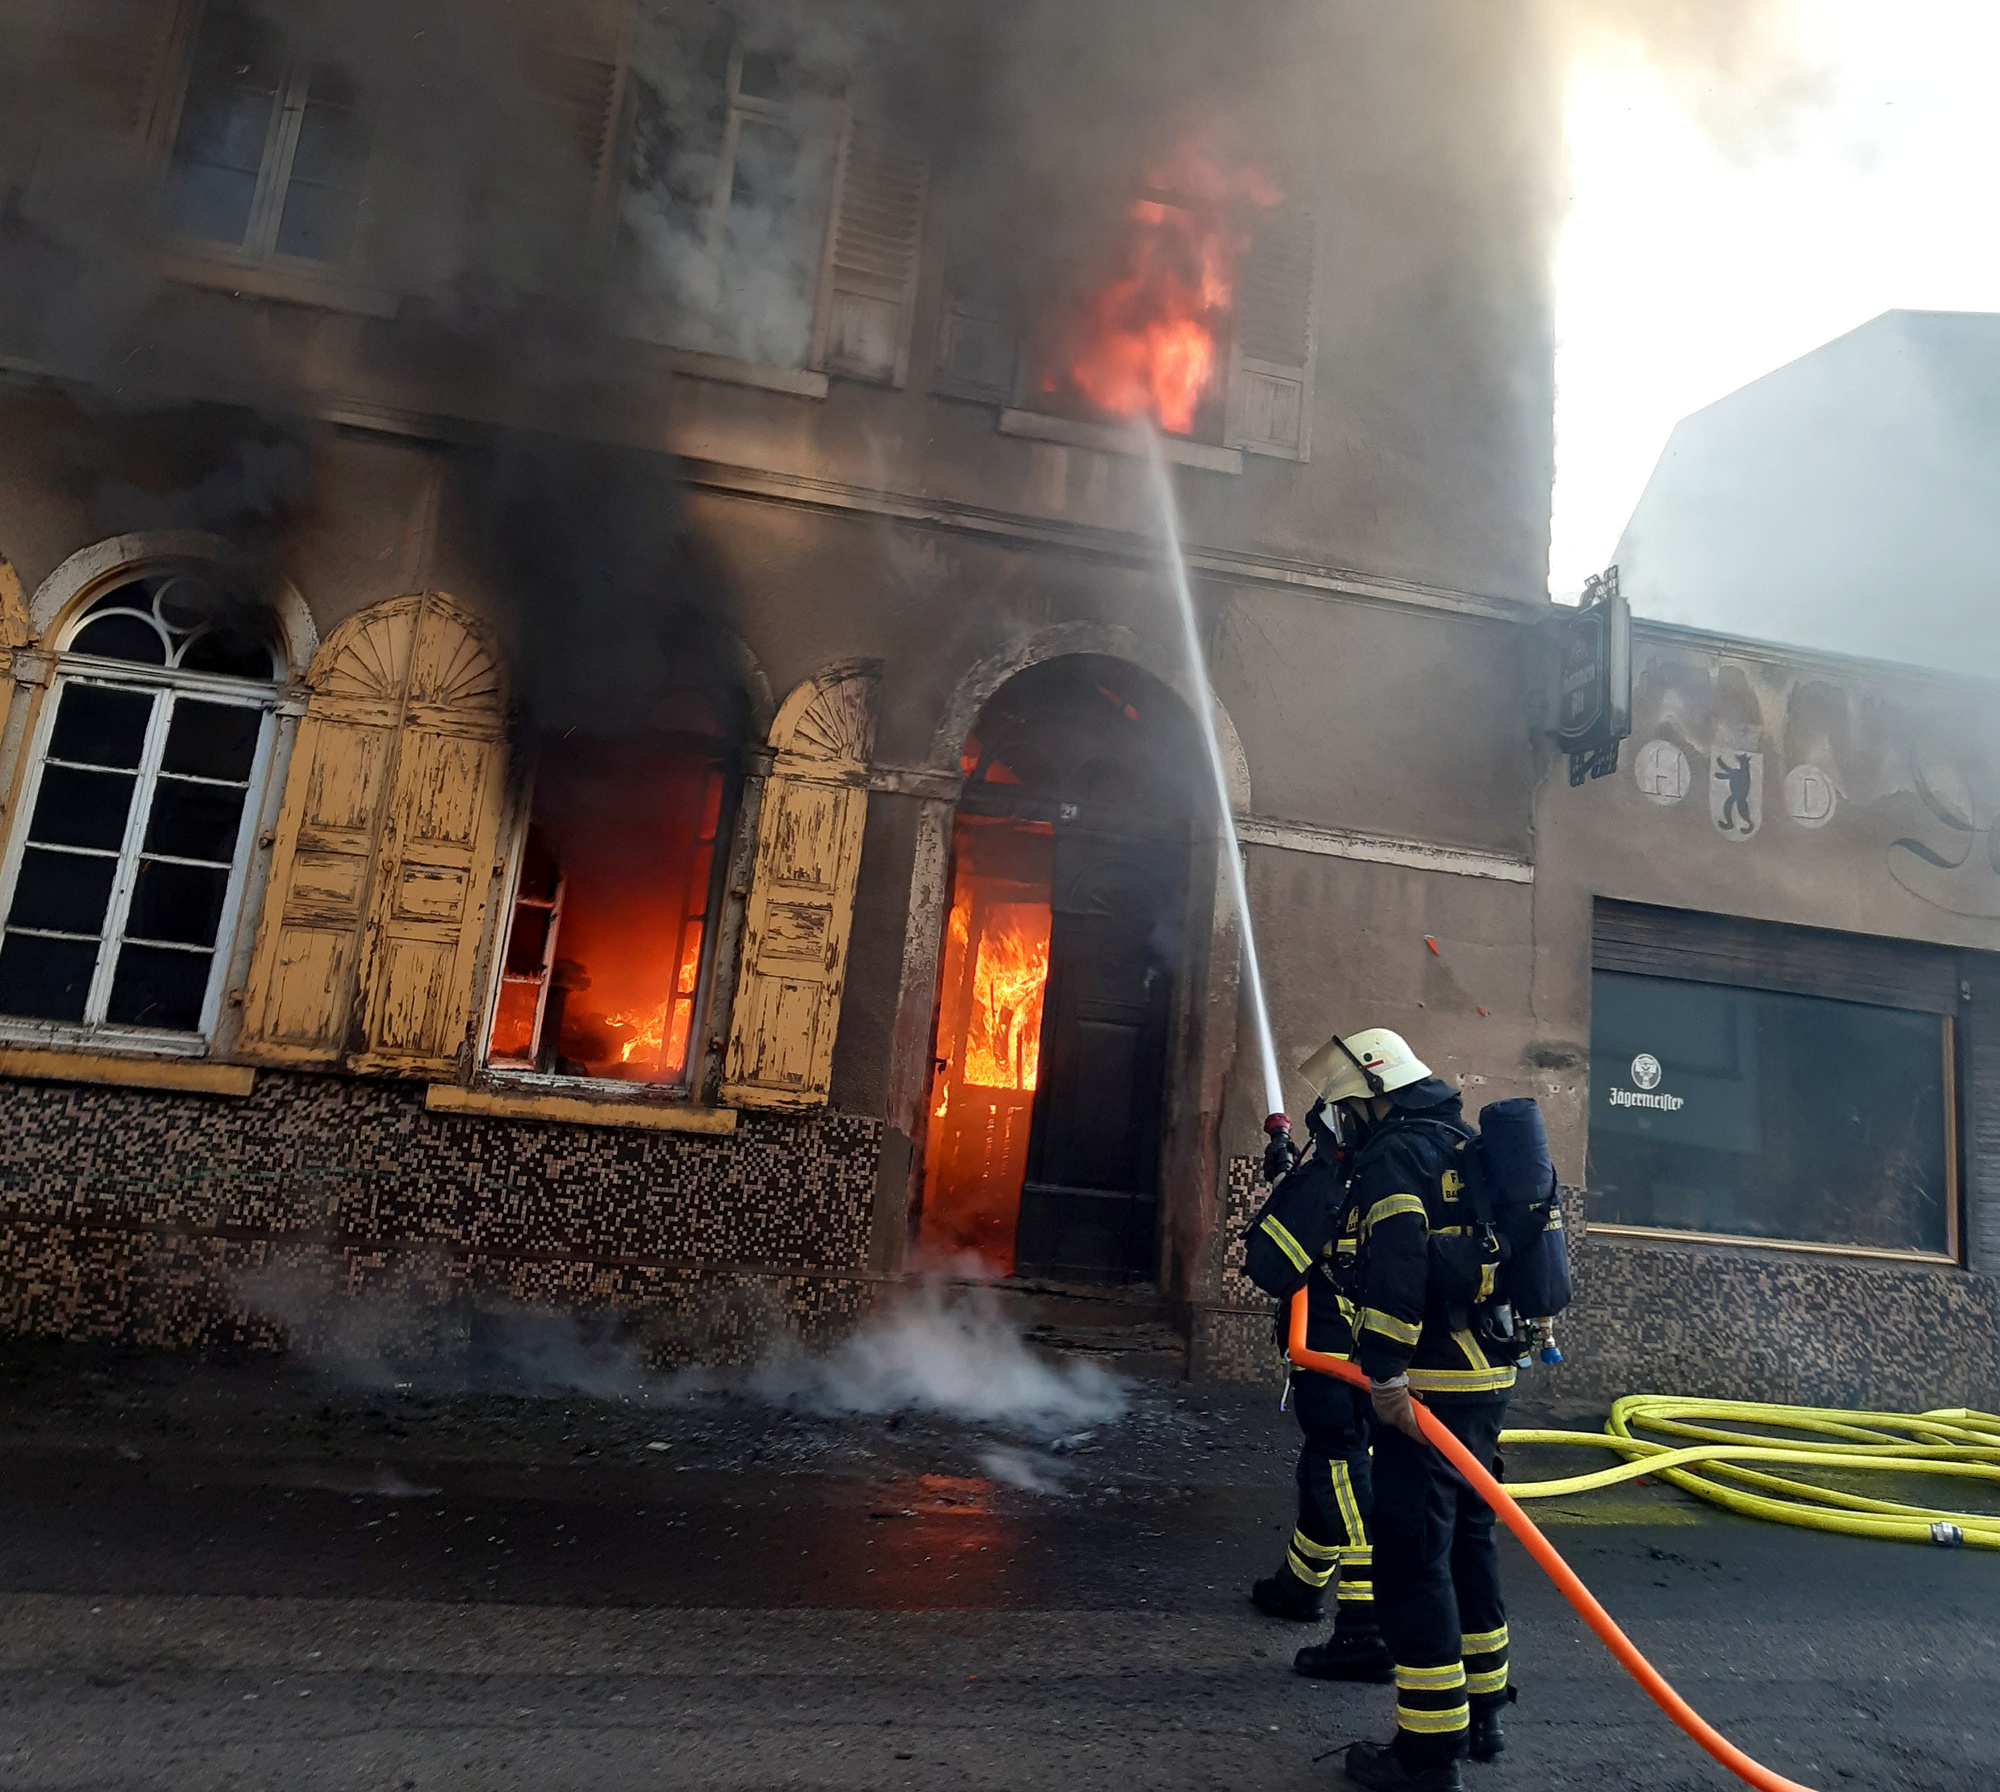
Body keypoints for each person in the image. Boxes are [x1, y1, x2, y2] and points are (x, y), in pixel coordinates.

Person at [1295, 1026, 1515, 1792]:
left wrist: (1386, 1375)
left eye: (1347, 1108)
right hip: (1486, 1378)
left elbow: (1396, 1269)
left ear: (1375, 1094)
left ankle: (1427, 1754)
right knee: (1469, 1543)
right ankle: (1483, 1716)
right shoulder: (1457, 1140)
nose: (1344, 1123)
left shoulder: (1396, 1156)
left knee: (1413, 1558)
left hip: (1428, 1389)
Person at [1244, 1103, 1393, 1685]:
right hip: (1375, 1351)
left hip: (1331, 1351)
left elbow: (1269, 1263)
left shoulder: (1329, 1179)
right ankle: (1300, 1585)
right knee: (1323, 1464)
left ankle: (1366, 1628)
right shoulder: (1390, 1174)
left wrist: (1294, 1185)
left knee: (1341, 1466)